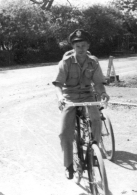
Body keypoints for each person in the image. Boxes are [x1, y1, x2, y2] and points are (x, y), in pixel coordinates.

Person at [52, 29, 110, 180]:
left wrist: (102, 93)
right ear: (73, 47)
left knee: (96, 120)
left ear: (88, 45)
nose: (81, 49)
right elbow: (58, 84)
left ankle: (94, 151)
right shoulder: (65, 62)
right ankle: (68, 165)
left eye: (84, 45)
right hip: (69, 97)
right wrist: (60, 98)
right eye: (78, 46)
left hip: (88, 95)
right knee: (65, 133)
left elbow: (98, 83)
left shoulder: (93, 62)